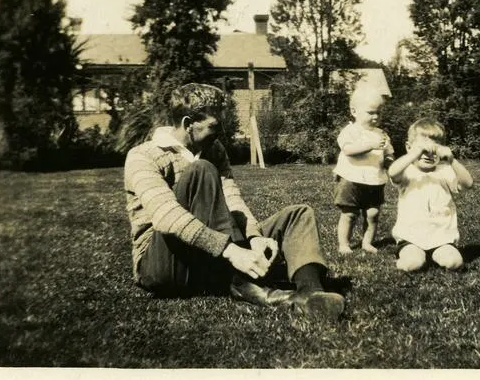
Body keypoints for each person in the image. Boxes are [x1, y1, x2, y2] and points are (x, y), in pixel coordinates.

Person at [123, 83, 345, 321]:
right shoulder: (142, 156)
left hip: (209, 257)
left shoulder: (214, 149)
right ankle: (244, 283)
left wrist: (254, 237)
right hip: (164, 266)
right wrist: (232, 252)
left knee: (298, 214)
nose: (221, 134)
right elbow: (167, 218)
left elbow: (232, 198)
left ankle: (310, 293)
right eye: (214, 127)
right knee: (201, 171)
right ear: (188, 124)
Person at [388, 118, 474, 272]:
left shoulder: (445, 171)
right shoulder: (407, 171)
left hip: (441, 237)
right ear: (409, 147)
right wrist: (414, 154)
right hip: (411, 237)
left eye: (434, 150)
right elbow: (392, 172)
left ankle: (435, 254)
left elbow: (468, 183)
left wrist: (452, 160)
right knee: (413, 263)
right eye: (423, 149)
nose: (428, 154)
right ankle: (406, 260)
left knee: (454, 263)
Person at [333, 85, 394, 254]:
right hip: (351, 179)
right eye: (370, 112)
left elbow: (389, 153)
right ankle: (344, 244)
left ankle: (367, 242)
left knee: (373, 214)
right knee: (349, 214)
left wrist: (390, 163)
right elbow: (348, 150)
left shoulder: (382, 134)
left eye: (379, 113)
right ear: (354, 111)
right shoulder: (350, 131)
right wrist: (370, 146)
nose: (375, 117)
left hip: (374, 179)